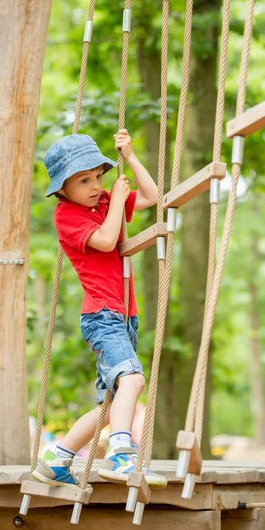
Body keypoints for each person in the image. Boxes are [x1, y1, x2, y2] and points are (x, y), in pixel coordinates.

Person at [34, 130, 166, 490]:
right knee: (134, 380)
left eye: (98, 176)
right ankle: (122, 455)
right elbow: (107, 241)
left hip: (125, 318)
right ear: (62, 189)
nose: (95, 186)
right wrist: (118, 199)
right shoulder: (68, 216)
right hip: (103, 315)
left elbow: (154, 197)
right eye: (84, 180)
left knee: (110, 404)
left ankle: (58, 459)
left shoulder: (106, 201)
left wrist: (132, 157)